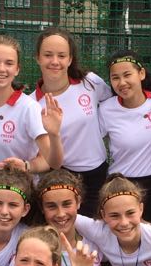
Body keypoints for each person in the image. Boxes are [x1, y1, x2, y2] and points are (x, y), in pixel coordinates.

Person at [0, 35, 62, 222]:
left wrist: (27, 166)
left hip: (21, 192)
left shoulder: (28, 108)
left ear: (17, 69)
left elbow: (52, 162)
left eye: (9, 63)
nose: (1, 69)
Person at [31, 28, 113, 215]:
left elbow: (121, 102)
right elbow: (42, 156)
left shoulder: (90, 83)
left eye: (61, 56)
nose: (55, 61)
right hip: (61, 178)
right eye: (48, 55)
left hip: (98, 174)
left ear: (70, 59)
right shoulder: (31, 104)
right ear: (38, 58)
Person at [97, 50, 151, 224]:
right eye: (115, 78)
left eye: (127, 75)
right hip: (120, 185)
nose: (122, 82)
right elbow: (89, 143)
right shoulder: (106, 109)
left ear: (141, 74)